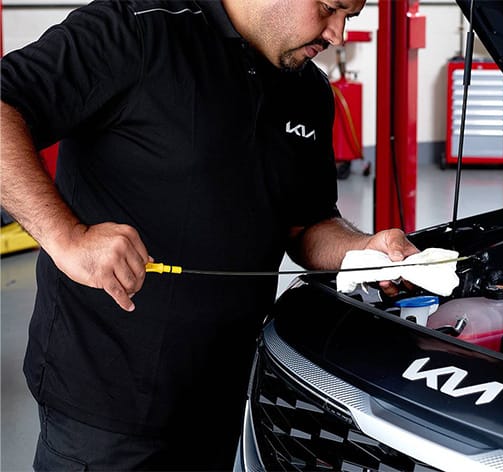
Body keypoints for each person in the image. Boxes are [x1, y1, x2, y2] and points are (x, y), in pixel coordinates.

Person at [0, 0, 417, 469]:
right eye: (329, 7)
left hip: (220, 402)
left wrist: (363, 249)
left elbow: (308, 223)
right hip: (103, 412)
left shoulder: (309, 92)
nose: (337, 32)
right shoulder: (136, 31)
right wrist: (64, 236)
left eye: (350, 17)